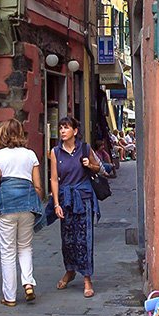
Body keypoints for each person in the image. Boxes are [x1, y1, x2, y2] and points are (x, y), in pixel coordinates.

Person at [0, 119, 44, 306]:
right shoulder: (30, 154)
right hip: (27, 203)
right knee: (25, 247)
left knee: (7, 251)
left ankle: (9, 297)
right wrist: (35, 202)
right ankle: (28, 282)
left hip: (6, 205)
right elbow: (38, 185)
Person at [50, 116, 100, 298]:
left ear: (75, 131)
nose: (63, 131)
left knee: (85, 238)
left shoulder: (85, 149)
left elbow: (99, 168)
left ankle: (87, 278)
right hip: (66, 200)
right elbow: (54, 179)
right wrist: (56, 203)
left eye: (66, 127)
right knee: (67, 239)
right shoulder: (55, 152)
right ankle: (70, 271)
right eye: (61, 128)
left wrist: (90, 165)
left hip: (84, 198)